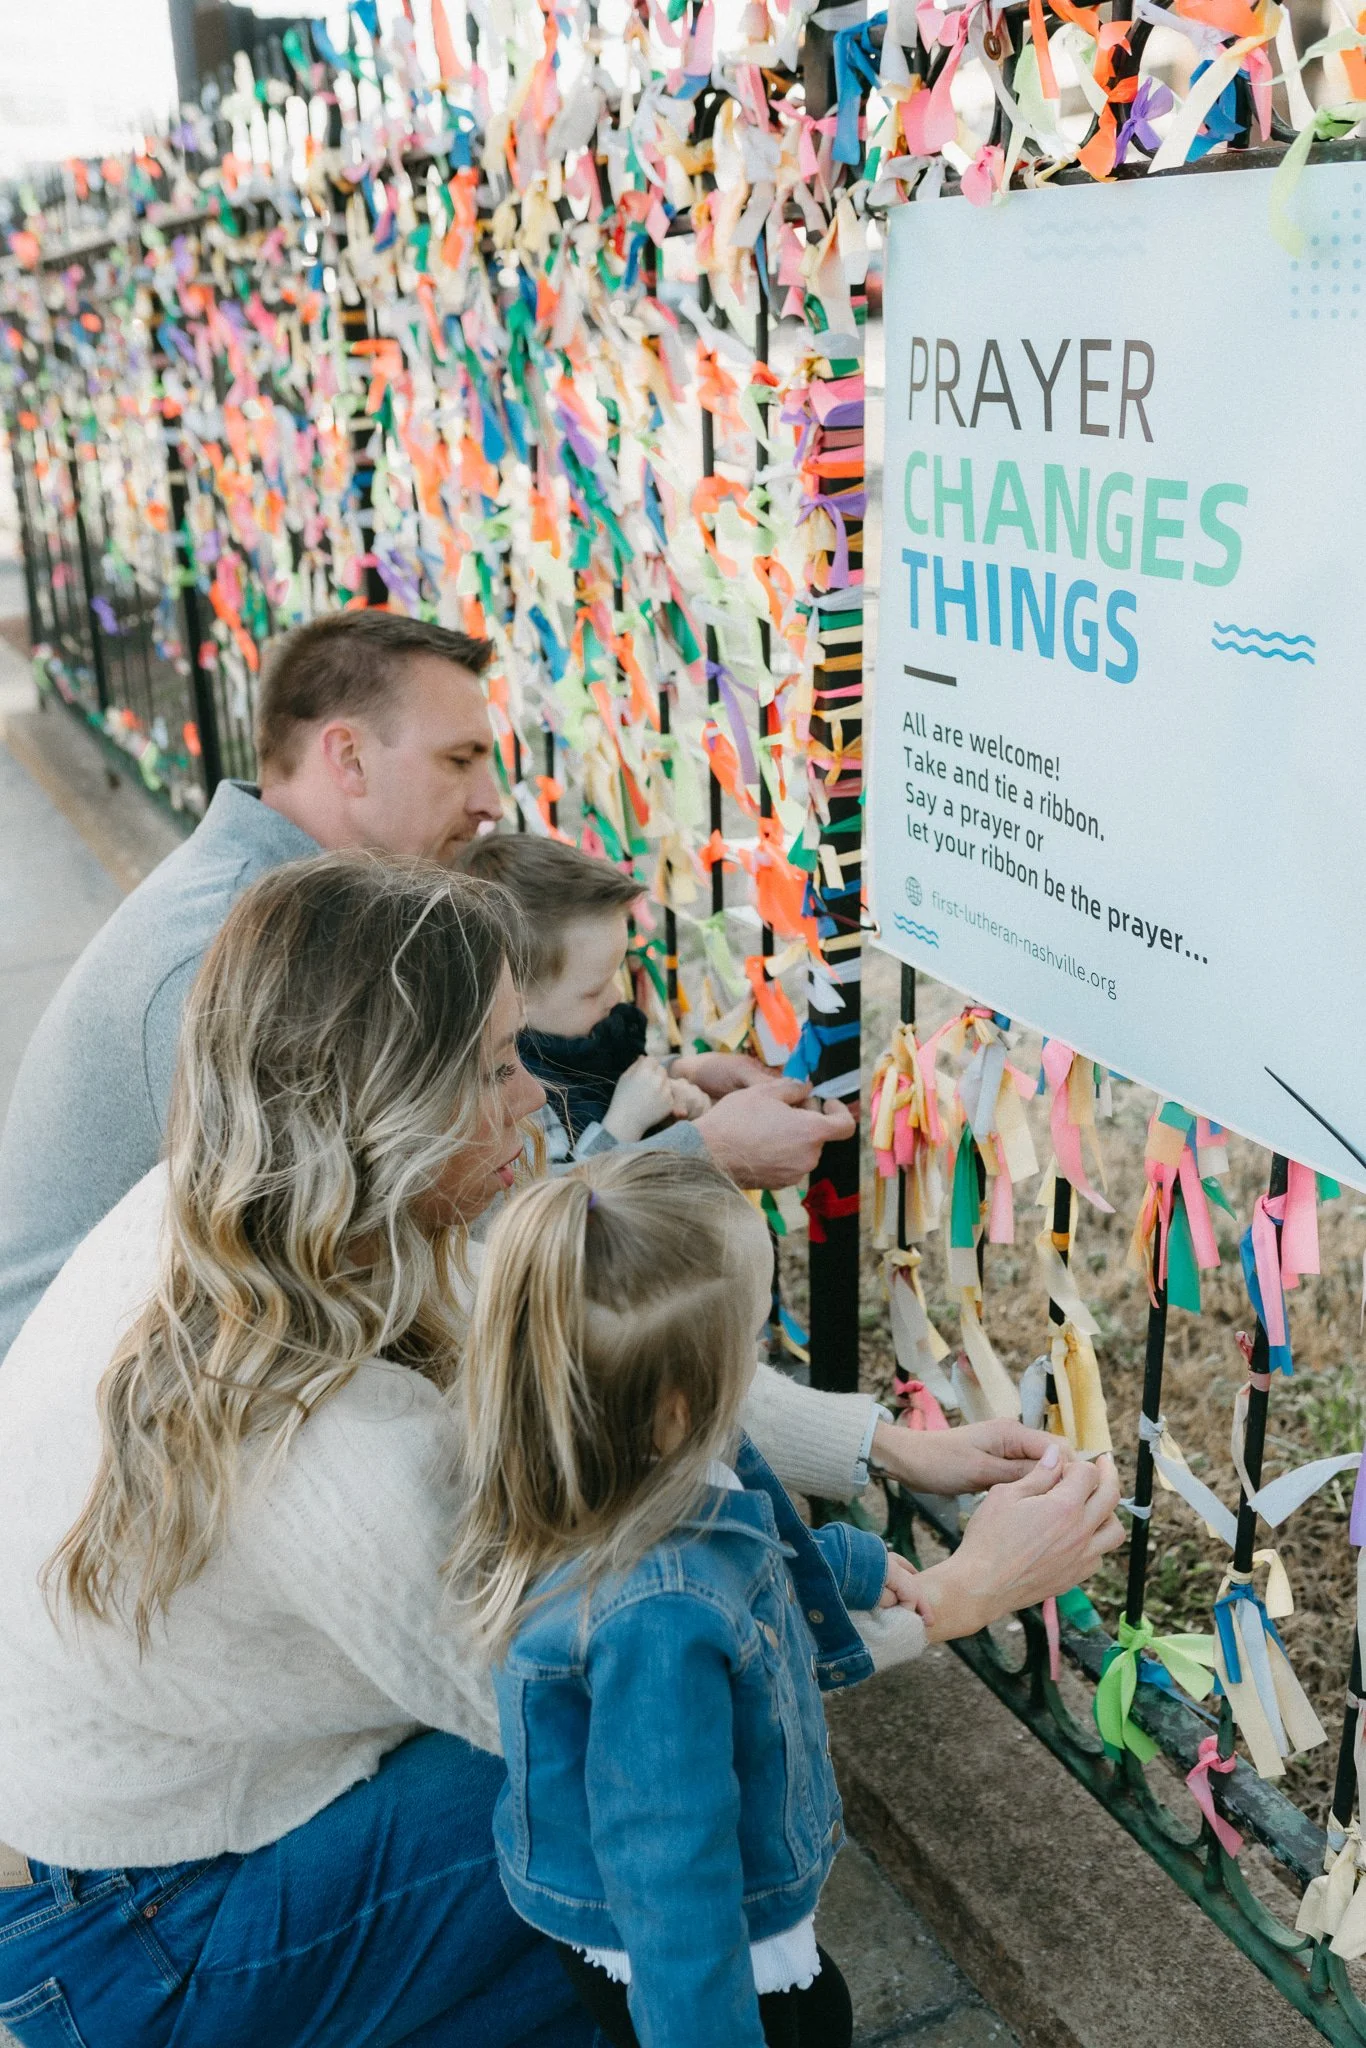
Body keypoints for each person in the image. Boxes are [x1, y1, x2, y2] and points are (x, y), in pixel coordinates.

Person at [0, 853, 1122, 2048]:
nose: (534, 1091)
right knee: (652, 1813)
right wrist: (960, 1593)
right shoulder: (342, 1462)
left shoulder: (274, 1195)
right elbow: (651, 1684)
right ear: (388, 1108)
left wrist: (887, 1446)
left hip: (141, 1842)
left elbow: (584, 1363)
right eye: (494, 1066)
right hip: (149, 1941)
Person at [0, 608, 852, 1363]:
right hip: (103, 1410)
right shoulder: (234, 950)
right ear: (348, 758)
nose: (489, 801)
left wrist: (667, 1085)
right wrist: (704, 1156)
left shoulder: (305, 905)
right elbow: (430, 1245)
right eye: (459, 760)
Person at [454, 1149, 927, 2048]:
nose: (759, 1361)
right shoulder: (658, 1617)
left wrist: (848, 1566)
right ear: (677, 1408)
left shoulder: (605, 1476)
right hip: (702, 1949)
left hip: (639, 1910)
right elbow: (671, 1869)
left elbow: (742, 1565)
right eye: (752, 1343)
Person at [461, 834, 713, 1161]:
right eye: (594, 991)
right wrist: (624, 1124)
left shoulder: (582, 1037)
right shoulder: (517, 1091)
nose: (616, 996)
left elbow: (607, 1079)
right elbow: (558, 1187)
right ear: (514, 998)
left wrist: (665, 1090)